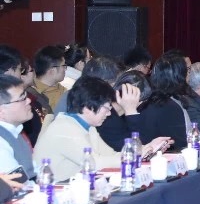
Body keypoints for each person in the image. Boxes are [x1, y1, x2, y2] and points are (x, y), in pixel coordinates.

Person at [34, 77, 170, 181]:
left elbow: (111, 155)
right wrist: (136, 155)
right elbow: (94, 163)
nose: (109, 113)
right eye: (106, 108)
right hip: (54, 195)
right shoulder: (64, 130)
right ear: (87, 107)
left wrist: (148, 148)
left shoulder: (87, 127)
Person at [136, 52, 197, 144]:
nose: (189, 73)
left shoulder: (150, 100)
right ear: (179, 75)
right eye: (187, 70)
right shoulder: (170, 106)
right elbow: (179, 144)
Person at [0, 73, 34, 180]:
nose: (28, 100)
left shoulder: (15, 131)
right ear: (1, 111)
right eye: (22, 98)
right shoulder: (1, 142)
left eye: (26, 96)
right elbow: (18, 183)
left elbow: (34, 171)